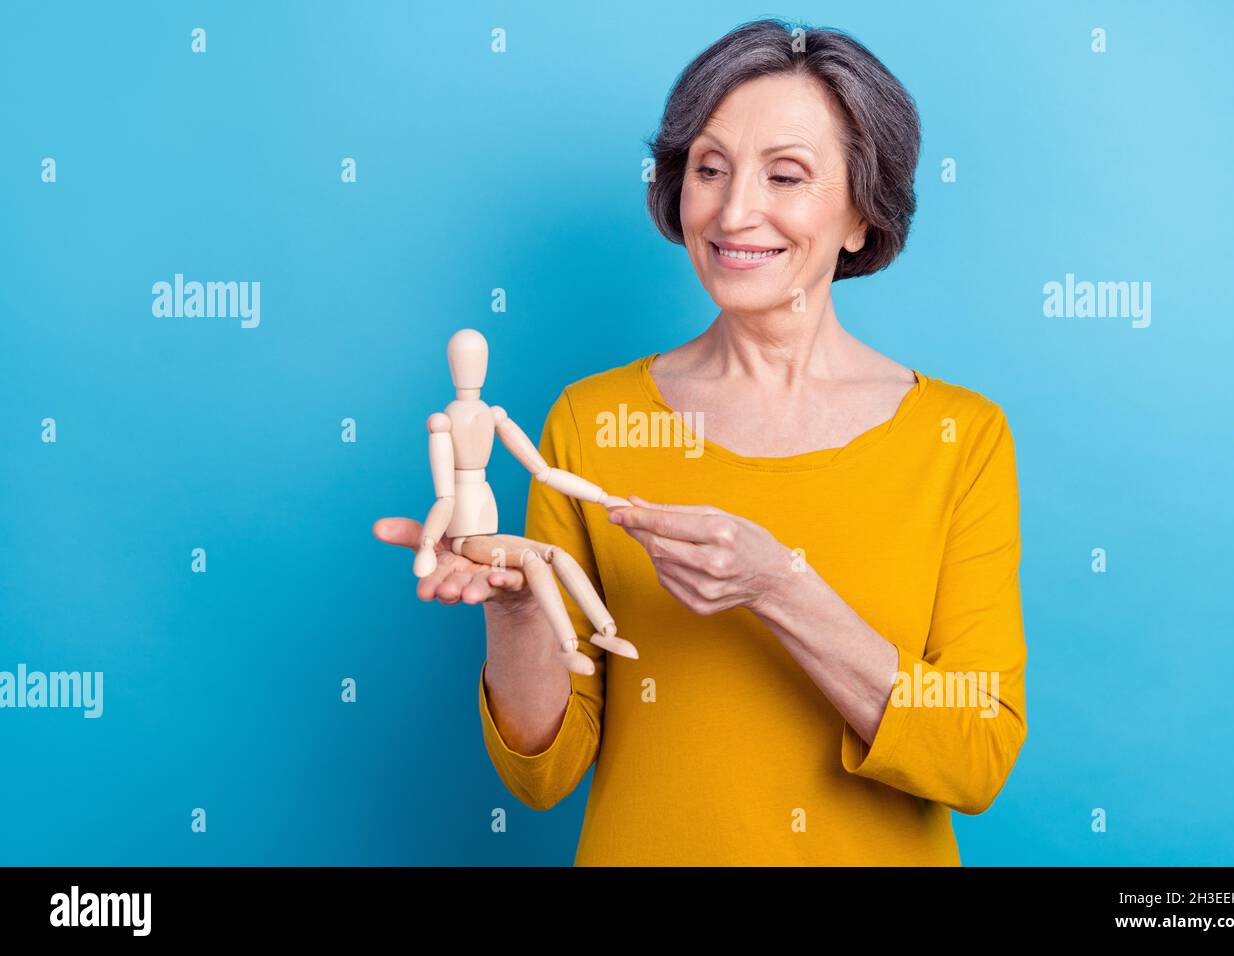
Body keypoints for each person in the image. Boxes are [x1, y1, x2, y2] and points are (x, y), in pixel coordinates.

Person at [374, 17, 1027, 865]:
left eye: (784, 174)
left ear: (863, 215)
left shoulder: (959, 437)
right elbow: (543, 773)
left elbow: (975, 757)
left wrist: (778, 587)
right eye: (708, 169)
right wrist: (515, 610)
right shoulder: (591, 420)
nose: (732, 209)